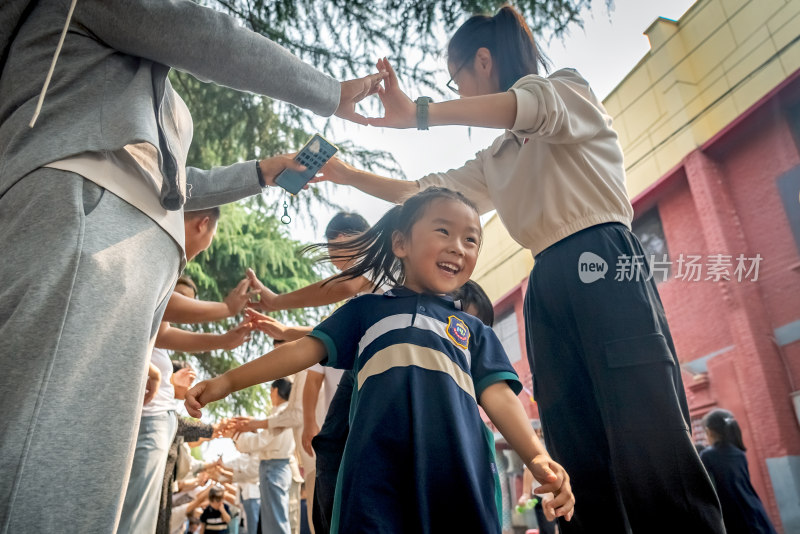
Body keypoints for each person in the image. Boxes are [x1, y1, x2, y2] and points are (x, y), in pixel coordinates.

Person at [312, 6, 725, 532]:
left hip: (601, 258)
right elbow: (424, 194)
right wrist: (347, 174)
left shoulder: (564, 92)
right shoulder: (496, 157)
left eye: (455, 78)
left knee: (649, 433)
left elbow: (524, 107)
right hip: (545, 284)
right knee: (574, 445)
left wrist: (418, 112)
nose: (458, 92)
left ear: (481, 61)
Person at [0, 2, 385, 531]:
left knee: (83, 476)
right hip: (86, 222)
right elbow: (204, 33)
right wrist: (330, 92)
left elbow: (176, 189)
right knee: (52, 458)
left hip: (121, 255)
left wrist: (263, 172)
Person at [186, 187, 574, 534]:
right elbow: (301, 351)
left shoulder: (473, 329)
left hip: (458, 472)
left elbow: (500, 397)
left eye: (471, 239)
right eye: (443, 231)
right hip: (374, 472)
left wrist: (538, 457)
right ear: (400, 243)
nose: (459, 246)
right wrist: (225, 383)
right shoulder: (365, 311)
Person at [700, 410, 778, 534]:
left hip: (733, 514)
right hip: (754, 510)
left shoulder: (708, 456)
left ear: (709, 431)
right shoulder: (739, 454)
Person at [234, 378, 296, 534]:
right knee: (275, 519)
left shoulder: (281, 412)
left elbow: (263, 440)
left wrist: (236, 437)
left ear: (275, 391)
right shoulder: (285, 411)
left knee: (275, 521)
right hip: (276, 467)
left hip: (273, 467)